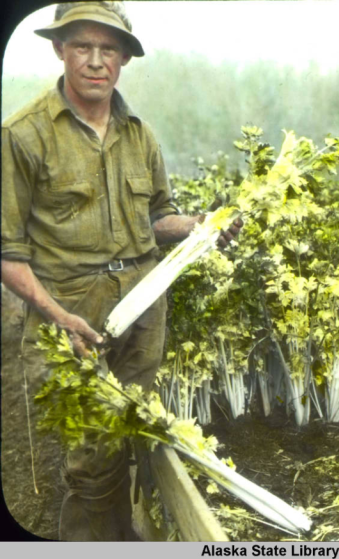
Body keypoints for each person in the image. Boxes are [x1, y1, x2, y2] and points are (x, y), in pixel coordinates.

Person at [1, 2, 241, 541]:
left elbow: (156, 217)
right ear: (59, 49)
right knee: (91, 460)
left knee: (127, 442)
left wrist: (201, 226)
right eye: (82, 46)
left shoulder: (140, 135)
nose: (94, 61)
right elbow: (7, 254)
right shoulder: (23, 136)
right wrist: (58, 318)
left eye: (108, 48)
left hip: (141, 313)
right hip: (72, 318)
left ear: (124, 59)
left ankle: (124, 537)